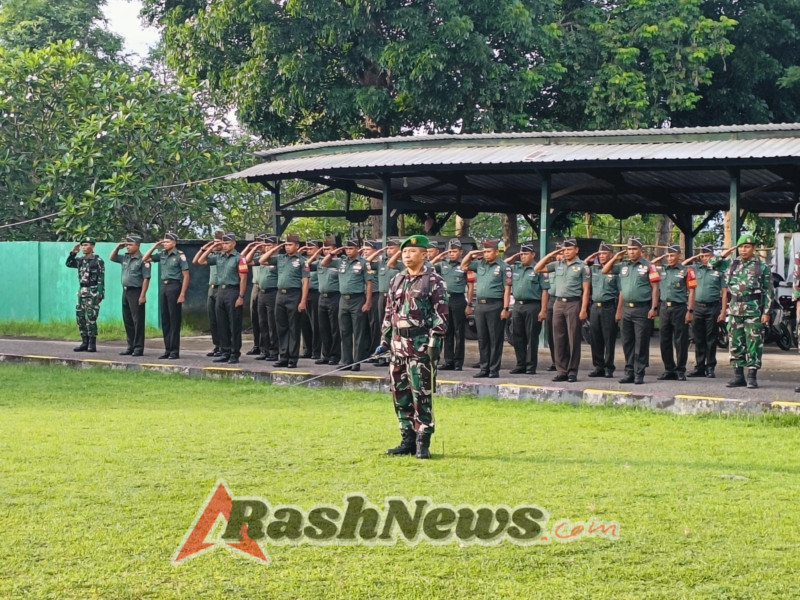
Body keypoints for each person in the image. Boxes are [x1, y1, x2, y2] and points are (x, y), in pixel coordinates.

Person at [378, 234, 448, 459]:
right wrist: (385, 339)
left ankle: (422, 441)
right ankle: (406, 438)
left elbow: (441, 315)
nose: (407, 256)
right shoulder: (397, 279)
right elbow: (390, 311)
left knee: (421, 395)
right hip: (398, 346)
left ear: (424, 254)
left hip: (419, 346)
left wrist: (434, 343)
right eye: (405, 252)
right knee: (400, 394)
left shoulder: (433, 280)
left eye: (412, 252)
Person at [602, 237, 660, 384]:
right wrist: (615, 257)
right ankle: (629, 372)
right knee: (627, 342)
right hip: (627, 308)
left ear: (641, 250)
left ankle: (639, 372)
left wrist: (654, 307)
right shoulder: (623, 265)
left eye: (634, 249)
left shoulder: (649, 266)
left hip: (642, 308)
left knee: (641, 342)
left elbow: (655, 288)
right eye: (629, 249)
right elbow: (605, 270)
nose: (631, 252)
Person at [535, 238, 590, 382]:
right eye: (564, 250)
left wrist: (583, 309)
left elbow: (586, 290)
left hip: (573, 303)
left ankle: (572, 372)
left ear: (576, 250)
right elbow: (538, 268)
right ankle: (561, 371)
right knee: (558, 339)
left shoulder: (583, 266)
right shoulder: (558, 264)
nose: (566, 252)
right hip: (558, 303)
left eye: (569, 249)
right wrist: (553, 253)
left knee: (573, 339)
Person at [722, 233, 773, 389]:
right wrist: (724, 254)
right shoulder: (732, 264)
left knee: (754, 344)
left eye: (747, 247)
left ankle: (752, 376)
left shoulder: (761, 267)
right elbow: (712, 263)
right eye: (741, 247)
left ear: (754, 248)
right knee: (735, 343)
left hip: (753, 311)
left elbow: (769, 291)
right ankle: (738, 376)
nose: (743, 250)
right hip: (735, 311)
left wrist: (766, 312)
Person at [320, 238, 373, 371]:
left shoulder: (363, 263)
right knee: (344, 332)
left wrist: (368, 302)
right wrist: (333, 253)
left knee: (358, 332)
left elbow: (369, 283)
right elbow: (324, 263)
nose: (349, 251)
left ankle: (356, 362)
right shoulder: (341, 261)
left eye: (351, 248)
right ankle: (346, 360)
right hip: (343, 299)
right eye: (347, 248)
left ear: (357, 249)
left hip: (357, 299)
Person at [258, 233, 310, 368]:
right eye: (285, 244)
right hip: (280, 295)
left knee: (293, 328)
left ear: (297, 246)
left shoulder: (302, 261)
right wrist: (275, 249)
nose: (287, 247)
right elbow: (261, 260)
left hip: (294, 294)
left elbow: (305, 282)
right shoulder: (280, 258)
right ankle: (283, 356)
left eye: (290, 244)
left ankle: (293, 358)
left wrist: (303, 301)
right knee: (281, 327)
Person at [462, 239, 512, 378]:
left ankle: (494, 369)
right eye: (484, 251)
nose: (486, 254)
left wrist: (505, 308)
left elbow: (507, 290)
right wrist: (472, 253)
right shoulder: (480, 264)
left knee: (495, 338)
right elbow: (463, 265)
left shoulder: (503, 266)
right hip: (480, 305)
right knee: (482, 338)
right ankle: (484, 368)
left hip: (495, 304)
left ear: (496, 252)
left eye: (489, 251)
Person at [197, 233, 249, 363]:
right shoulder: (219, 257)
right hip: (220, 291)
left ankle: (234, 353)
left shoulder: (239, 258)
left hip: (233, 291)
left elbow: (243, 279)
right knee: (222, 323)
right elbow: (200, 261)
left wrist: (241, 296)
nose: (225, 246)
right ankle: (225, 351)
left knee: (234, 323)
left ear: (234, 243)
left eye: (227, 243)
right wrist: (211, 247)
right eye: (223, 243)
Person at [683, 243, 730, 378]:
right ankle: (699, 367)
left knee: (711, 339)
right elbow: (683, 265)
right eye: (702, 256)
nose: (704, 258)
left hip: (713, 307)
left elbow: (724, 292)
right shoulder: (696, 269)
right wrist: (696, 257)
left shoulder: (718, 271)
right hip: (697, 307)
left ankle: (710, 367)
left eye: (707, 255)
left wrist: (723, 312)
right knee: (698, 338)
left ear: (712, 256)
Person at [651, 244, 696, 381]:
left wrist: (690, 310)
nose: (669, 258)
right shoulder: (662, 269)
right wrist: (661, 257)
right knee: (664, 339)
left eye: (672, 255)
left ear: (679, 255)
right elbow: (649, 265)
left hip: (679, 308)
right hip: (664, 307)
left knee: (680, 340)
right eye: (668, 255)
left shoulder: (686, 271)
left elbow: (692, 291)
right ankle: (668, 369)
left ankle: (680, 370)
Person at [142, 232, 190, 359]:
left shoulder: (180, 255)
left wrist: (182, 294)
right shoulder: (162, 254)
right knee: (165, 319)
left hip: (175, 286)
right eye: (163, 242)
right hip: (164, 287)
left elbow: (186, 276)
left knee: (174, 319)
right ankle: (167, 349)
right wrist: (155, 246)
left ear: (174, 243)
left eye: (167, 242)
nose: (165, 244)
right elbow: (145, 258)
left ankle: (174, 350)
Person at [504, 242, 549, 374]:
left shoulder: (538, 269)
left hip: (533, 305)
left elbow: (545, 291)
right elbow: (504, 264)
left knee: (531, 337)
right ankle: (520, 364)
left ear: (533, 254)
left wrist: (543, 309)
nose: (523, 256)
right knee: (517, 336)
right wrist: (515, 256)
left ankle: (530, 366)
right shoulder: (516, 267)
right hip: (518, 305)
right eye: (521, 254)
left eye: (526, 254)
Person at [110, 234, 150, 356]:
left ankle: (138, 347)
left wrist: (142, 295)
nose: (127, 247)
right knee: (127, 320)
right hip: (126, 291)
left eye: (130, 245)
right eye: (126, 244)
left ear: (137, 246)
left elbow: (146, 278)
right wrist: (118, 247)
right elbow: (112, 258)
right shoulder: (125, 258)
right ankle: (130, 346)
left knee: (137, 321)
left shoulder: (143, 259)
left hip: (136, 291)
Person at [431, 239, 468, 371]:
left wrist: (469, 304)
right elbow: (429, 266)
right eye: (450, 251)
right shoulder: (442, 264)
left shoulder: (464, 265)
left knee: (459, 332)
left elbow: (471, 284)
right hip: (446, 300)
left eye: (455, 251)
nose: (452, 254)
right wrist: (440, 256)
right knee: (447, 331)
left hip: (458, 299)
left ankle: (458, 362)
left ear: (461, 252)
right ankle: (448, 361)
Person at [585, 242, 619, 378]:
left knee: (609, 338)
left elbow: (621, 292)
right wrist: (591, 258)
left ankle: (609, 367)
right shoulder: (594, 269)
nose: (602, 256)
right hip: (595, 306)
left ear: (611, 254)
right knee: (595, 338)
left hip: (609, 306)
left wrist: (618, 311)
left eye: (605, 253)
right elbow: (582, 265)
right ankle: (598, 366)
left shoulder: (616, 270)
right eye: (600, 254)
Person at [365, 239, 401, 368]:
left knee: (394, 327)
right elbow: (366, 262)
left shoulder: (401, 264)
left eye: (392, 248)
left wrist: (400, 253)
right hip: (382, 296)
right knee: (383, 327)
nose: (389, 251)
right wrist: (378, 252)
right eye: (388, 248)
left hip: (395, 298)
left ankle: (393, 355)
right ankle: (382, 356)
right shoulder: (381, 263)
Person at [66, 236, 105, 353]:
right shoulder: (80, 260)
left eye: (87, 245)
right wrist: (73, 253)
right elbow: (68, 263)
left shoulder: (98, 261)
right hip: (82, 291)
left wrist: (100, 293)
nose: (84, 247)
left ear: (92, 246)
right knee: (80, 317)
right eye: (83, 245)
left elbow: (101, 277)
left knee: (91, 317)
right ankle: (84, 342)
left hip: (93, 291)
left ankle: (92, 343)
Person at [244, 235, 280, 360]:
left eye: (269, 245)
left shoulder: (278, 258)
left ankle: (274, 351)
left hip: (273, 292)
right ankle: (264, 350)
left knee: (272, 323)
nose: (266, 247)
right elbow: (247, 261)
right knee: (262, 322)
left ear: (276, 246)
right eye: (265, 245)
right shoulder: (262, 257)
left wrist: (270, 251)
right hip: (261, 292)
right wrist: (254, 248)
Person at [194, 232, 224, 357]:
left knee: (221, 319)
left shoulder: (224, 256)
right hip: (211, 288)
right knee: (212, 319)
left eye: (218, 242)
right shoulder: (212, 255)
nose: (216, 244)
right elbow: (197, 261)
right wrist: (206, 248)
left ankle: (224, 345)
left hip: (221, 288)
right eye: (214, 241)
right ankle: (217, 345)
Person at [315, 236, 342, 366]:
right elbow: (307, 263)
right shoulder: (320, 262)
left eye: (328, 249)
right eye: (324, 249)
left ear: (335, 249)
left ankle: (335, 355)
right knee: (323, 327)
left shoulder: (340, 262)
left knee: (335, 328)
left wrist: (333, 255)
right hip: (322, 297)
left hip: (335, 296)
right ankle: (325, 354)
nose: (325, 251)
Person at [300, 239, 322, 360]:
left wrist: (315, 254)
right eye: (307, 248)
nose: (308, 250)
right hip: (304, 294)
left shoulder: (321, 260)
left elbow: (307, 264)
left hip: (315, 293)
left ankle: (316, 351)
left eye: (311, 248)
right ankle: (307, 349)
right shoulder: (302, 260)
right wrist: (299, 251)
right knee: (305, 324)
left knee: (315, 324)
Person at [245, 235, 266, 356]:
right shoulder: (256, 256)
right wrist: (252, 248)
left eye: (261, 243)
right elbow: (245, 260)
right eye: (257, 243)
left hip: (264, 287)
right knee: (255, 318)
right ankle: (256, 344)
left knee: (264, 319)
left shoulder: (268, 257)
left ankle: (264, 346)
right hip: (255, 286)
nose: (259, 246)